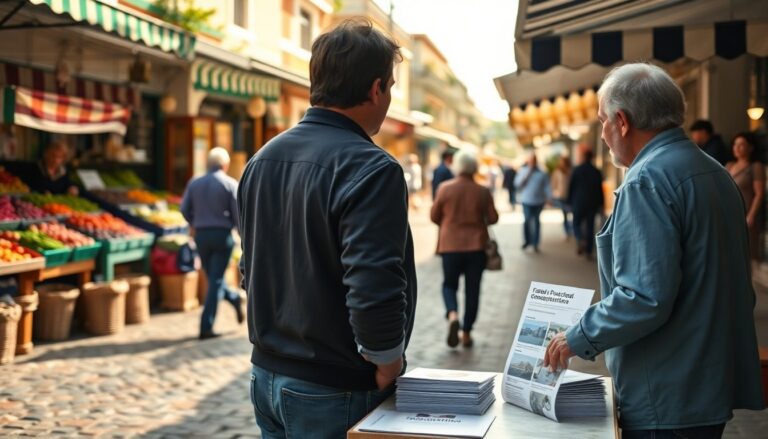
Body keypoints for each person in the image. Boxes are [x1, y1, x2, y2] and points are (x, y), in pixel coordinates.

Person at [544, 63, 765, 437]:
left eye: (602, 122)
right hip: (706, 385)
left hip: (665, 394)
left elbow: (643, 297)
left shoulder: (646, 181)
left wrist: (576, 336)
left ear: (622, 121)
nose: (602, 135)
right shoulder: (715, 173)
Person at [237, 20, 417, 439]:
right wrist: (388, 363)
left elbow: (250, 269)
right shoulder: (373, 168)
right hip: (334, 386)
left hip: (266, 375)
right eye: (389, 87)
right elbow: (373, 280)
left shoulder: (260, 161)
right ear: (376, 90)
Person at [430, 150, 498, 349]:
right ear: (474, 168)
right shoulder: (482, 191)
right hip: (476, 247)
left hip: (450, 246)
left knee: (449, 285)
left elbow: (434, 216)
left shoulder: (444, 188)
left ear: (457, 166)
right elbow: (493, 218)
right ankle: (466, 332)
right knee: (472, 290)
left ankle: (452, 314)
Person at [180, 147, 244, 340]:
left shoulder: (194, 183)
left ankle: (232, 300)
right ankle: (206, 326)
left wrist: (195, 221)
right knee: (215, 280)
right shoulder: (230, 184)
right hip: (221, 236)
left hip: (201, 236)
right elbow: (238, 215)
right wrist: (242, 237)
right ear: (225, 165)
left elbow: (184, 209)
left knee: (213, 279)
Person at [726, 132, 765, 263]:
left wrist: (751, 216)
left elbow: (759, 193)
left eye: (742, 145)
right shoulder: (729, 166)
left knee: (748, 257)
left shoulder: (755, 166)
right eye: (735, 144)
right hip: (729, 215)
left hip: (746, 215)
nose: (737, 148)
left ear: (750, 147)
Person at [567, 147, 604, 259]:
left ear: (583, 157)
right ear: (592, 157)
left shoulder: (577, 170)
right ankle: (588, 250)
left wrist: (569, 201)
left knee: (576, 224)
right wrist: (601, 204)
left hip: (578, 202)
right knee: (590, 227)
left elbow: (571, 186)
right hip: (592, 203)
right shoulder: (596, 171)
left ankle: (580, 238)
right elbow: (599, 189)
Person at [514, 153, 550, 252]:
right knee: (527, 221)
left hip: (539, 201)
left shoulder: (542, 173)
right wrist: (527, 174)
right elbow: (517, 184)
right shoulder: (523, 171)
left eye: (534, 160)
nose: (532, 162)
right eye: (531, 160)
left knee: (536, 222)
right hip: (527, 201)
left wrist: (549, 198)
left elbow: (547, 186)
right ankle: (527, 241)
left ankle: (535, 243)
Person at [550, 155, 572, 239]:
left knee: (570, 213)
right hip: (561, 196)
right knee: (565, 214)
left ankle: (570, 229)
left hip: (570, 196)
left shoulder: (570, 171)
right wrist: (554, 192)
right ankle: (567, 231)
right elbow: (553, 183)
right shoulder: (557, 171)